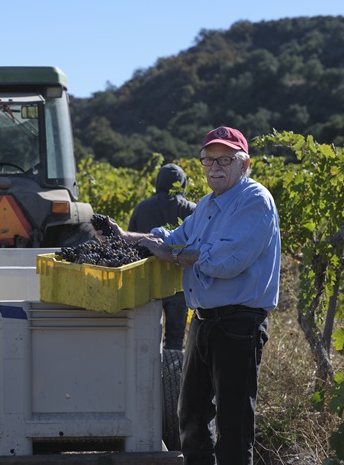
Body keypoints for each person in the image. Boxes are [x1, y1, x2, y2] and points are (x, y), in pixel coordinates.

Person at [103, 126, 280, 465]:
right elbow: (174, 238)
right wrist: (128, 237)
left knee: (233, 426)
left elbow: (226, 261)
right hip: (203, 321)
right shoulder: (208, 204)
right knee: (192, 418)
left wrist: (172, 255)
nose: (215, 167)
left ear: (244, 166)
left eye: (225, 159)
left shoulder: (254, 200)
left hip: (238, 324)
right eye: (208, 159)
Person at [128, 163, 196, 351]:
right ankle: (172, 379)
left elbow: (131, 244)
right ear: (182, 183)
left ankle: (149, 378)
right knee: (174, 340)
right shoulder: (192, 210)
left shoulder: (142, 208)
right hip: (178, 284)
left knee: (148, 341)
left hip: (147, 284)